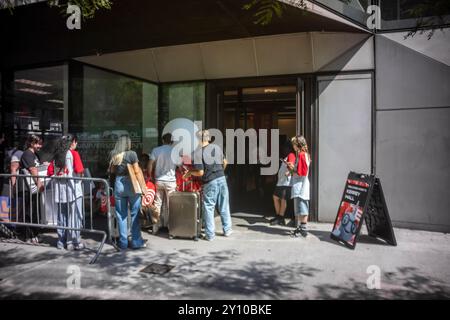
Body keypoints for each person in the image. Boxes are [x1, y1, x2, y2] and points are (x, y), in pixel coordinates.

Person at [184, 130, 232, 241]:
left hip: (210, 181)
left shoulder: (197, 153)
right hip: (222, 178)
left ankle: (210, 235)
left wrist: (190, 173)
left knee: (209, 207)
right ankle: (227, 230)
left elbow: (200, 172)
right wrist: (220, 172)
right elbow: (225, 162)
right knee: (224, 204)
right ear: (208, 138)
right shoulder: (217, 148)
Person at [47, 134, 85, 250]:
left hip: (60, 190)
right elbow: (80, 170)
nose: (76, 144)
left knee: (61, 216)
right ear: (72, 142)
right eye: (75, 142)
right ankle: (73, 242)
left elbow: (49, 171)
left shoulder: (56, 155)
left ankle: (61, 241)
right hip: (73, 190)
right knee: (75, 216)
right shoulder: (73, 154)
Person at [109, 135, 146, 250]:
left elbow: (112, 171)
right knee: (135, 214)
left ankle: (123, 242)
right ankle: (135, 241)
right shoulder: (132, 154)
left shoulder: (114, 155)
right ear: (127, 144)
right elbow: (136, 171)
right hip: (132, 184)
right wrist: (143, 188)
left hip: (119, 183)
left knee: (121, 215)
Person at [147, 133, 177, 234]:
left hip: (158, 180)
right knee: (171, 205)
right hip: (171, 182)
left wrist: (149, 175)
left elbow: (150, 164)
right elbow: (181, 166)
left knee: (157, 203)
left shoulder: (156, 150)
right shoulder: (175, 151)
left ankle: (156, 227)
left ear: (163, 140)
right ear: (172, 141)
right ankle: (171, 228)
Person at [19, 134, 45, 243]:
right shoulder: (27, 154)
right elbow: (33, 169)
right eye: (38, 143)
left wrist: (44, 164)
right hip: (27, 188)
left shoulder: (35, 154)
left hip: (33, 188)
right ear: (31, 143)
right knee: (28, 211)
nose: (40, 146)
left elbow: (37, 167)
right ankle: (28, 236)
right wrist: (39, 183)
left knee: (35, 211)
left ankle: (34, 234)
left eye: (41, 144)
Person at [287, 135, 311, 238]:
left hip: (301, 185)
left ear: (298, 144)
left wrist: (292, 168)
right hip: (300, 184)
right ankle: (301, 228)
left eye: (294, 144)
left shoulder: (301, 155)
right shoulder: (304, 154)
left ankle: (303, 230)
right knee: (301, 207)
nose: (293, 146)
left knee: (302, 207)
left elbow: (302, 172)